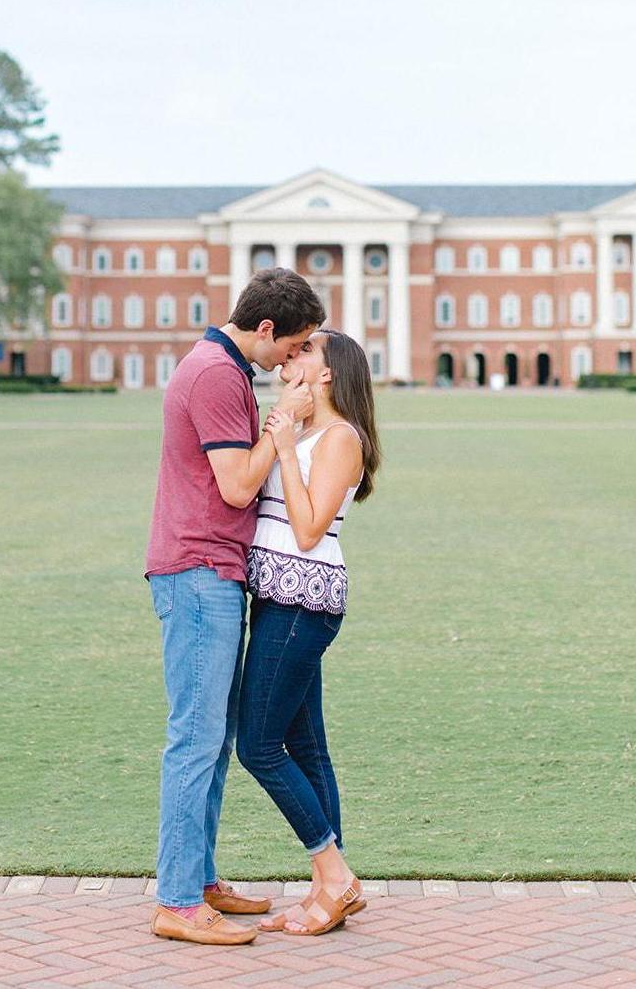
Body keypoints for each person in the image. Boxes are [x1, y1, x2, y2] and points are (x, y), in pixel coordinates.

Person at [146, 268, 327, 946]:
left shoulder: (218, 365)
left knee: (211, 737)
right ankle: (177, 900)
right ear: (265, 329)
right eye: (295, 343)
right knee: (195, 736)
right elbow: (235, 483)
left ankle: (197, 879)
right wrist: (287, 424)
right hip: (197, 570)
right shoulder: (219, 375)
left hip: (209, 571)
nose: (294, 357)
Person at [237, 328, 382, 936]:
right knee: (308, 746)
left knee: (259, 747)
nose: (290, 356)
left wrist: (286, 441)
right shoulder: (302, 429)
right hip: (278, 596)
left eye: (305, 352)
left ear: (327, 375)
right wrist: (282, 436)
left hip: (304, 600)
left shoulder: (341, 437)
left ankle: (335, 873)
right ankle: (332, 887)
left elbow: (307, 529)